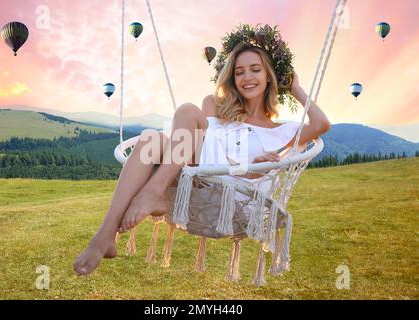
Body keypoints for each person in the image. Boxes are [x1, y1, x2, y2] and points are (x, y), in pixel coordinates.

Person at [73, 43, 330, 275]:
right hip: (194, 176)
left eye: (255, 70)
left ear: (269, 77)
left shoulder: (280, 130)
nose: (247, 77)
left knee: (181, 115)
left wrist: (295, 88)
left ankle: (151, 194)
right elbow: (198, 139)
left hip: (227, 193)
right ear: (231, 77)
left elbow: (321, 123)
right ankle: (107, 233)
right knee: (151, 138)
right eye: (239, 72)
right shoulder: (215, 106)